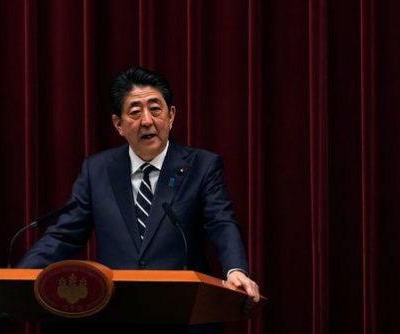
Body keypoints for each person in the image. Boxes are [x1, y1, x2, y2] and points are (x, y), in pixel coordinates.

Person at [17, 66, 260, 332]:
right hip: (117, 314)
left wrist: (235, 270)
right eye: (135, 112)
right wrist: (19, 276)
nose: (147, 121)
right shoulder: (97, 170)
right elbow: (65, 235)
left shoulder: (202, 166)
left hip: (183, 315)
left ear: (171, 116)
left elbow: (221, 222)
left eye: (155, 109)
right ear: (118, 124)